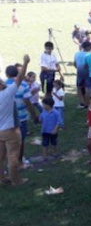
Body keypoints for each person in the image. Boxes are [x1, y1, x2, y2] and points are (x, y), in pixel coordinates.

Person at [0, 54, 30, 186]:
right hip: (10, 130)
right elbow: (19, 78)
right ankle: (16, 180)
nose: (4, 82)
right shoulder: (7, 93)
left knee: (0, 156)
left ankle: (1, 178)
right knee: (13, 156)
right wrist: (25, 63)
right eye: (1, 82)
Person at [5, 64, 38, 168]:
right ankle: (19, 162)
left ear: (7, 74)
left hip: (7, 118)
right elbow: (28, 102)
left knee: (7, 141)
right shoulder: (23, 85)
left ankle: (8, 161)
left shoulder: (4, 85)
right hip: (21, 117)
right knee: (20, 140)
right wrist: (34, 115)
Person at [74, 41, 91, 108]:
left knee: (79, 87)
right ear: (88, 47)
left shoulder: (77, 53)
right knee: (88, 88)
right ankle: (88, 103)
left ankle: (82, 102)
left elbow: (75, 63)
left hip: (79, 72)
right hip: (88, 72)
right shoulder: (90, 54)